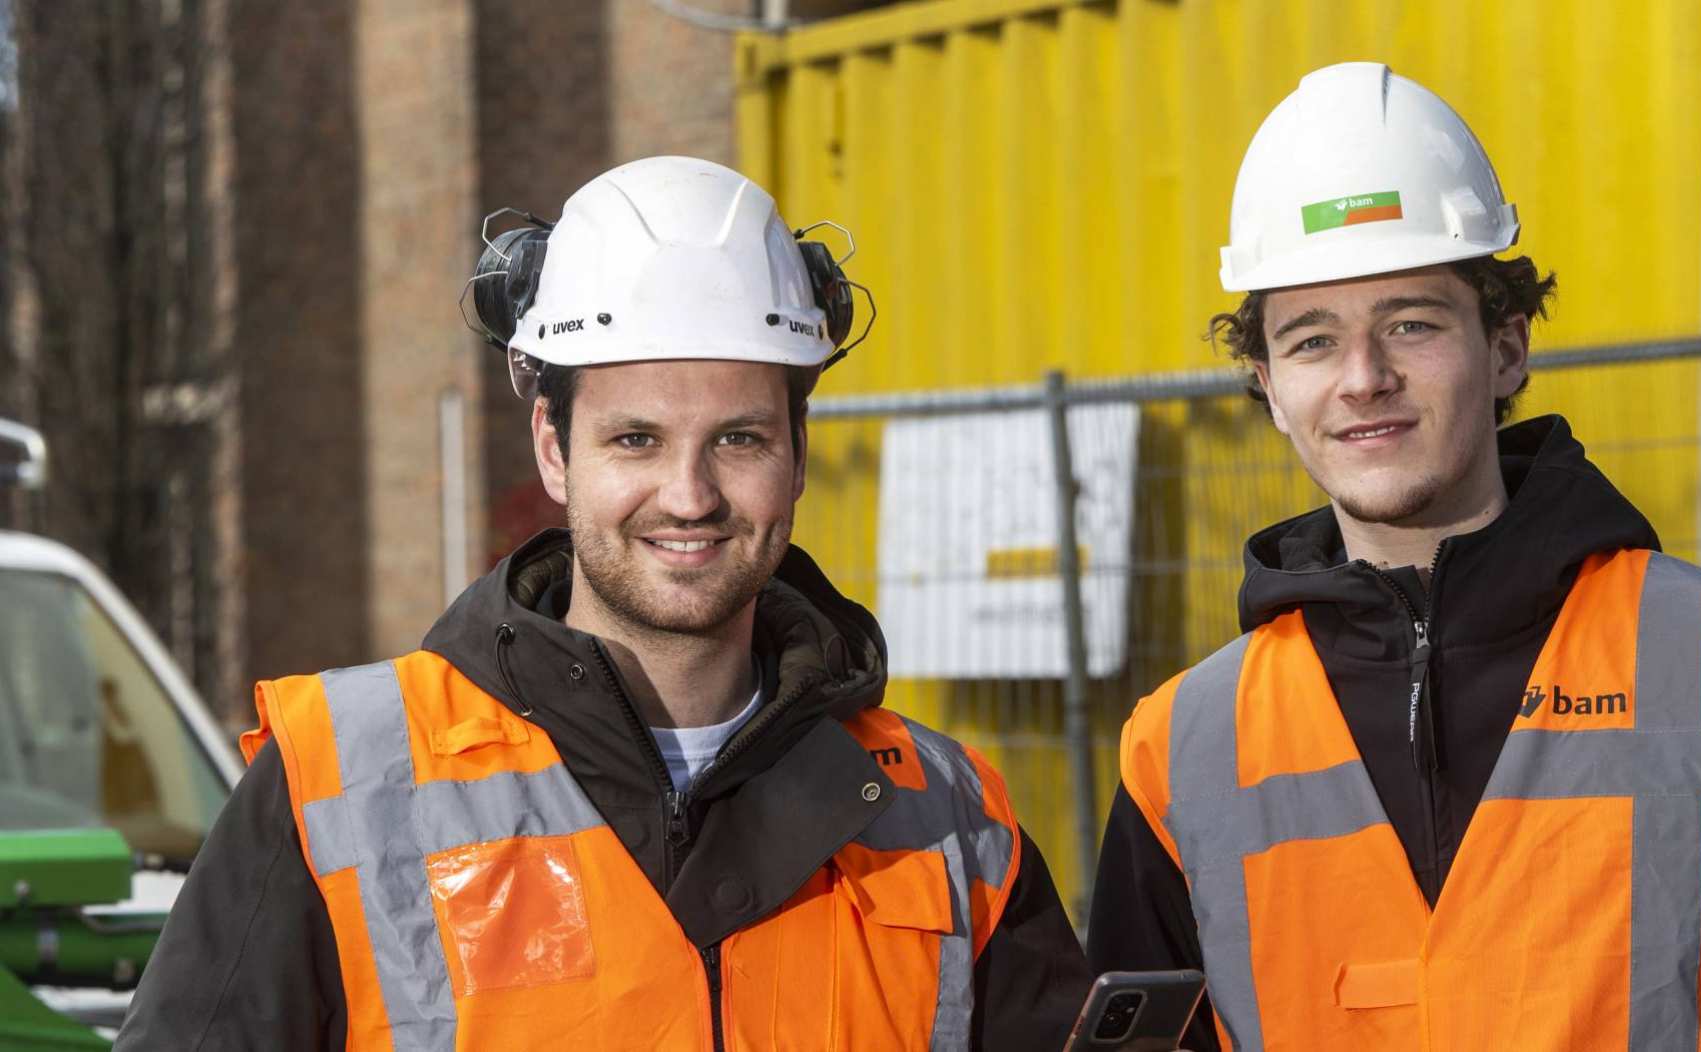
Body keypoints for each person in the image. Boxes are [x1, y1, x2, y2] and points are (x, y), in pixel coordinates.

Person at [1086, 62, 1701, 1050]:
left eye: (1410, 324)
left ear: (1505, 346)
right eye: (1309, 341)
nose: (1362, 377)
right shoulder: (1179, 748)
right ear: (1267, 384)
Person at [117, 156, 1090, 1051]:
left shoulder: (945, 815)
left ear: (797, 453)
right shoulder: (340, 785)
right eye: (634, 439)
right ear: (553, 446)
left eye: (738, 439)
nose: (689, 493)